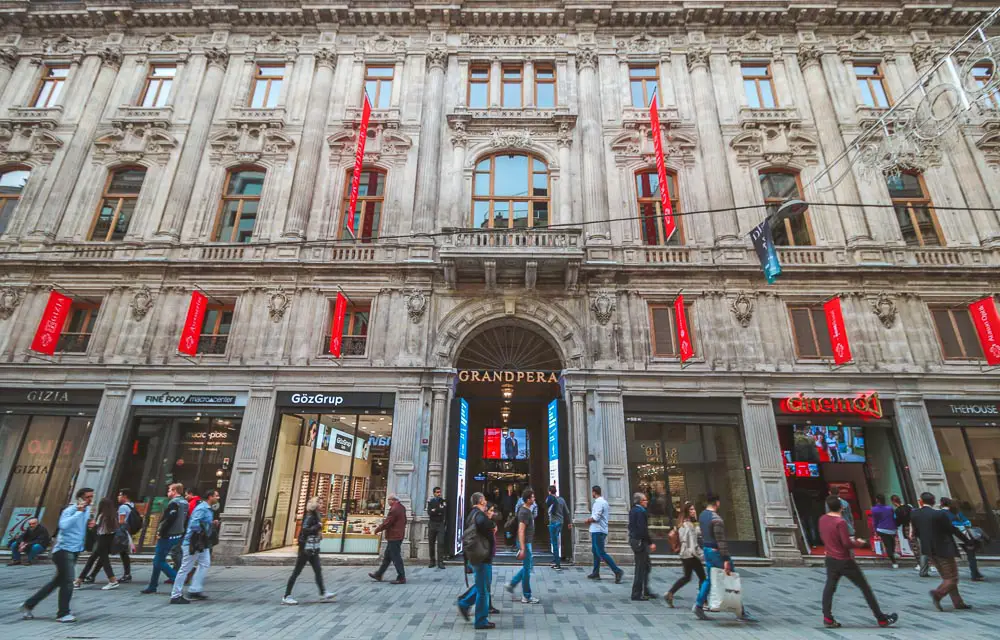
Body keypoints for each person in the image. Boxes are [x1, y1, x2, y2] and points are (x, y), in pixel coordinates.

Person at [819, 495, 898, 629]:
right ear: (841, 507)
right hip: (844, 560)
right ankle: (881, 618)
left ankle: (827, 617)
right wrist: (859, 543)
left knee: (829, 588)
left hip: (830, 559)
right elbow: (846, 543)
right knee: (865, 588)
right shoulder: (840, 522)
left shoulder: (822, 519)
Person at [22, 487, 94, 623]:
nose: (90, 500)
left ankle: (28, 605)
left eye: (91, 497)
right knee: (68, 581)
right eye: (87, 497)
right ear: (80, 499)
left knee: (57, 582)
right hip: (63, 549)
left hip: (75, 549)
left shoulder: (87, 511)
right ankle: (63, 613)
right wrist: (78, 512)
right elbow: (63, 525)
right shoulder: (70, 510)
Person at [693, 492, 754, 622]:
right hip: (717, 552)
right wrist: (726, 559)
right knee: (732, 577)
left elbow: (700, 534)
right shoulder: (717, 519)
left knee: (709, 578)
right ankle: (740, 610)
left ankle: (699, 605)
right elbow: (721, 541)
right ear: (717, 503)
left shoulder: (702, 515)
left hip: (707, 550)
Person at [910, 491, 970, 612]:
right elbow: (951, 529)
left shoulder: (915, 514)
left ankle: (958, 602)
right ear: (933, 502)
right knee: (953, 578)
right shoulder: (939, 514)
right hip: (943, 548)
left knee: (947, 577)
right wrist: (967, 540)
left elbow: (915, 534)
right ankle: (938, 594)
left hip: (929, 550)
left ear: (921, 501)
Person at [282, 496, 336, 604]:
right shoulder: (310, 516)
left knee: (318, 570)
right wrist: (317, 526)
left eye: (322, 503)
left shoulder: (316, 515)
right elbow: (305, 530)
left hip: (313, 548)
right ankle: (286, 596)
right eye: (319, 503)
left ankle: (323, 593)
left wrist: (318, 532)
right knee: (296, 572)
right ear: (315, 504)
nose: (322, 505)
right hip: (305, 549)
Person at [457, 492, 498, 629]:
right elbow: (484, 525)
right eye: (484, 499)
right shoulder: (479, 515)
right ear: (481, 500)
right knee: (483, 590)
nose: (486, 502)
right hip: (481, 556)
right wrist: (491, 525)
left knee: (483, 585)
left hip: (477, 555)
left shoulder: (471, 514)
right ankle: (480, 620)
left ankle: (465, 603)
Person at [170, 489, 219, 604]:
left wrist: (210, 524)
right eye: (216, 496)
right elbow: (194, 524)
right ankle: (176, 594)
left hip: (202, 542)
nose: (218, 498)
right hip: (194, 542)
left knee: (205, 563)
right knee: (185, 568)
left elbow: (201, 523)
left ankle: (195, 589)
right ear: (210, 497)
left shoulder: (207, 508)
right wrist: (204, 528)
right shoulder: (202, 508)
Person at [141, 483, 188, 594]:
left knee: (158, 561)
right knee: (158, 559)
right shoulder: (184, 503)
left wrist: (160, 532)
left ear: (175, 491)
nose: (168, 492)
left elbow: (168, 519)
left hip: (168, 535)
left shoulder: (174, 503)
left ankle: (176, 578)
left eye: (169, 490)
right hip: (178, 533)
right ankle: (153, 585)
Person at [664, 501, 705, 608]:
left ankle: (670, 593)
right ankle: (703, 601)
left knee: (687, 577)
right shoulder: (688, 525)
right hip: (691, 555)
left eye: (694, 509)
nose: (693, 511)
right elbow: (693, 544)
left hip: (684, 554)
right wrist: (701, 555)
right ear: (687, 511)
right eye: (691, 509)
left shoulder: (682, 523)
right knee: (703, 578)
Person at [75, 497, 120, 590]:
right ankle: (79, 580)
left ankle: (112, 580)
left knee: (101, 561)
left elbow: (100, 530)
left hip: (102, 539)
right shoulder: (113, 516)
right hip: (108, 540)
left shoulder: (103, 516)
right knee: (94, 560)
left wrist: (94, 527)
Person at [505, 488, 539, 604]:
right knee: (527, 568)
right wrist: (523, 547)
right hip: (525, 543)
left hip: (526, 542)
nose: (534, 499)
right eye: (533, 497)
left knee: (527, 567)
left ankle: (512, 584)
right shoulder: (524, 512)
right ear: (528, 499)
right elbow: (521, 530)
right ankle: (526, 596)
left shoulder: (526, 510)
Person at [586, 485, 624, 583]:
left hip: (598, 530)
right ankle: (595, 572)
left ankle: (617, 571)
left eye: (592, 492)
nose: (592, 494)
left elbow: (596, 517)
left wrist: (588, 520)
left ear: (594, 492)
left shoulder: (599, 503)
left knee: (601, 552)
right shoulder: (604, 502)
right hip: (599, 530)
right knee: (595, 551)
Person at [942, 497, 985, 582]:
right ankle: (975, 574)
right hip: (965, 536)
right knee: (971, 556)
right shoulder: (957, 513)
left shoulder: (942, 513)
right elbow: (968, 523)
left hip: (954, 537)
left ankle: (949, 574)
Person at [369, 494, 407, 584]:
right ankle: (379, 574)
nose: (387, 502)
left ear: (392, 500)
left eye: (388, 500)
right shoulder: (401, 507)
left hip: (394, 536)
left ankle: (401, 577)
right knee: (387, 556)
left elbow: (387, 523)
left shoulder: (394, 509)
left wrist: (377, 529)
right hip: (398, 535)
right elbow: (404, 521)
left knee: (396, 557)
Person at [628, 492, 655, 601]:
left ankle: (646, 590)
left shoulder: (633, 510)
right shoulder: (640, 512)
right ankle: (636, 593)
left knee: (646, 566)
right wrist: (650, 542)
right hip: (640, 542)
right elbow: (642, 529)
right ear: (640, 501)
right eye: (644, 500)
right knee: (640, 568)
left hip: (635, 540)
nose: (646, 501)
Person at [909, 495, 937, 577]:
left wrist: (912, 533)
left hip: (921, 536)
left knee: (924, 552)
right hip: (935, 535)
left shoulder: (914, 513)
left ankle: (923, 570)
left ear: (921, 501)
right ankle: (935, 566)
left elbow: (912, 525)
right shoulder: (936, 513)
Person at [546, 485, 571, 570]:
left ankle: (557, 563)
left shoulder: (549, 499)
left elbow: (547, 508)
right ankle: (557, 560)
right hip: (560, 522)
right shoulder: (561, 499)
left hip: (553, 523)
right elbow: (567, 511)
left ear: (549, 492)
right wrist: (569, 522)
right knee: (557, 542)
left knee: (555, 543)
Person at [870, 494, 898, 568]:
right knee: (892, 543)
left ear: (876, 500)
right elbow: (893, 517)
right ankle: (893, 553)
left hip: (882, 529)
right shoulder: (889, 508)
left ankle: (894, 561)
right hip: (892, 528)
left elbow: (875, 521)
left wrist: (875, 529)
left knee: (888, 544)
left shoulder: (874, 509)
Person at [115, 489, 135, 583]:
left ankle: (126, 574)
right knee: (124, 553)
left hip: (121, 532)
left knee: (121, 552)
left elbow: (121, 521)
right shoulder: (131, 505)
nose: (118, 497)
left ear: (124, 496)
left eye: (120, 495)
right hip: (127, 531)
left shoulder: (123, 507)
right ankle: (127, 573)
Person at [426, 486, 447, 569]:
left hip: (440, 524)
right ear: (434, 493)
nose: (439, 494)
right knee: (431, 543)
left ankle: (440, 562)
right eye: (437, 492)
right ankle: (432, 560)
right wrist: (437, 511)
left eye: (439, 492)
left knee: (441, 543)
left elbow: (443, 511)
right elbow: (429, 512)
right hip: (432, 524)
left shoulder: (443, 501)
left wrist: (435, 510)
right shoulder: (431, 501)